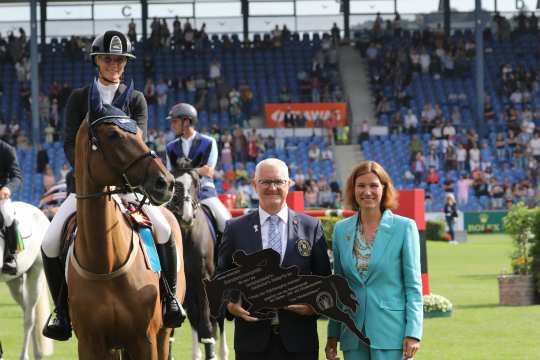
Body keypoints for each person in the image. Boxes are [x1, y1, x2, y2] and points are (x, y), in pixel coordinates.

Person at [40, 31, 183, 342]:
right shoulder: (79, 98)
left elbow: (137, 141)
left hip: (128, 187)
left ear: (125, 63)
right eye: (108, 58)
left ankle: (170, 299)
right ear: (97, 61)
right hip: (86, 187)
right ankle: (62, 312)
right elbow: (68, 142)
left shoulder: (135, 99)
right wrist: (87, 172)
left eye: (119, 60)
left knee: (164, 229)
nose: (114, 64)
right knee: (50, 241)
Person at [217, 158, 331, 359]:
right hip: (251, 344)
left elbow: (325, 282)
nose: (272, 188)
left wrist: (313, 307)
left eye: (278, 181)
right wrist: (229, 304)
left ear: (289, 184)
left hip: (300, 343)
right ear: (254, 185)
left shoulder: (311, 227)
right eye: (265, 182)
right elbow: (221, 277)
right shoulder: (235, 228)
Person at [325, 160, 423, 360]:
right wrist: (332, 334)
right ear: (353, 190)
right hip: (352, 334)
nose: (367, 191)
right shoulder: (341, 230)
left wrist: (413, 333)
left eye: (373, 185)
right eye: (361, 186)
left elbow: (413, 286)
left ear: (384, 189)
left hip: (392, 332)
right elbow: (338, 287)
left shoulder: (404, 228)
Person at [165, 103, 231, 234]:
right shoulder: (170, 147)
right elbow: (170, 174)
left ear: (187, 122)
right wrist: (196, 170)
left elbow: (208, 171)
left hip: (203, 191)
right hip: (178, 194)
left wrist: (181, 172)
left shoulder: (209, 142)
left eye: (175, 121)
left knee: (226, 221)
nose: (172, 125)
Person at [0, 139, 22, 275]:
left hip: (1, 193)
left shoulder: (7, 149)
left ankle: (11, 256)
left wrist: (7, 188)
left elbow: (17, 176)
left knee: (7, 215)